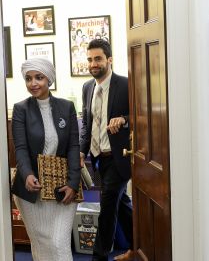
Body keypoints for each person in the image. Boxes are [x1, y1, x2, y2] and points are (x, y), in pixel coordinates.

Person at [11, 58, 81, 261]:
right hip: (31, 190)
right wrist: (27, 175)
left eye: (39, 77)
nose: (33, 83)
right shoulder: (20, 109)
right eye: (28, 78)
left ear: (49, 79)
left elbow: (73, 147)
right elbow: (21, 148)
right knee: (41, 242)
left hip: (63, 188)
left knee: (58, 242)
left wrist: (73, 183)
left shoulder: (67, 107)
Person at [79, 39, 134, 261]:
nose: (93, 64)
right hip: (98, 158)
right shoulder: (87, 87)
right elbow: (87, 123)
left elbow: (142, 115)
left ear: (109, 60)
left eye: (98, 58)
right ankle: (139, 248)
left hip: (119, 158)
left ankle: (99, 257)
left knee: (108, 206)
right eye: (90, 59)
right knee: (121, 205)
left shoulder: (125, 84)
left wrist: (124, 119)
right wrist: (83, 151)